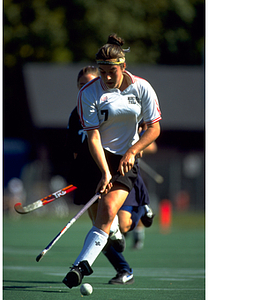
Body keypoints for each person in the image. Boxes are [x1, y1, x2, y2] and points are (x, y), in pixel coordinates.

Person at [63, 34, 161, 289]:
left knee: (108, 212)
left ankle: (80, 268)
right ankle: (111, 250)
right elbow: (93, 137)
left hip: (125, 159)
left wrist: (132, 151)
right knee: (102, 221)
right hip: (94, 159)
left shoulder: (142, 88)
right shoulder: (89, 92)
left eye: (112, 72)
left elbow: (153, 129)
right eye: (103, 72)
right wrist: (104, 172)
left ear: (123, 67)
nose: (106, 78)